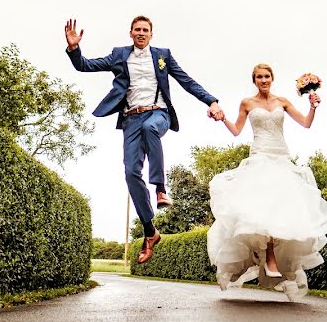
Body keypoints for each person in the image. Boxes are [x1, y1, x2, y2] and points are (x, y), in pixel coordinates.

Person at [64, 16, 224, 264]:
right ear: (130, 33)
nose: (141, 33)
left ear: (151, 34)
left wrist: (211, 101)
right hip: (130, 119)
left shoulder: (163, 55)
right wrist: (74, 48)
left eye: (145, 30)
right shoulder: (119, 55)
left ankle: (160, 190)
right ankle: (150, 232)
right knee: (130, 172)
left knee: (152, 128)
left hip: (158, 113)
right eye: (137, 30)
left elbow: (186, 81)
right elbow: (85, 65)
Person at [207, 63, 327, 300]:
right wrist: (221, 119)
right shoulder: (247, 103)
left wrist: (313, 107)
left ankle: (277, 263)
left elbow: (306, 123)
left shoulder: (282, 101)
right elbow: (237, 130)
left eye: (266, 76)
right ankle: (268, 256)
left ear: (272, 78)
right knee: (261, 208)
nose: (263, 80)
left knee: (283, 211)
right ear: (254, 80)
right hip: (259, 156)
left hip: (281, 157)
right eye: (259, 77)